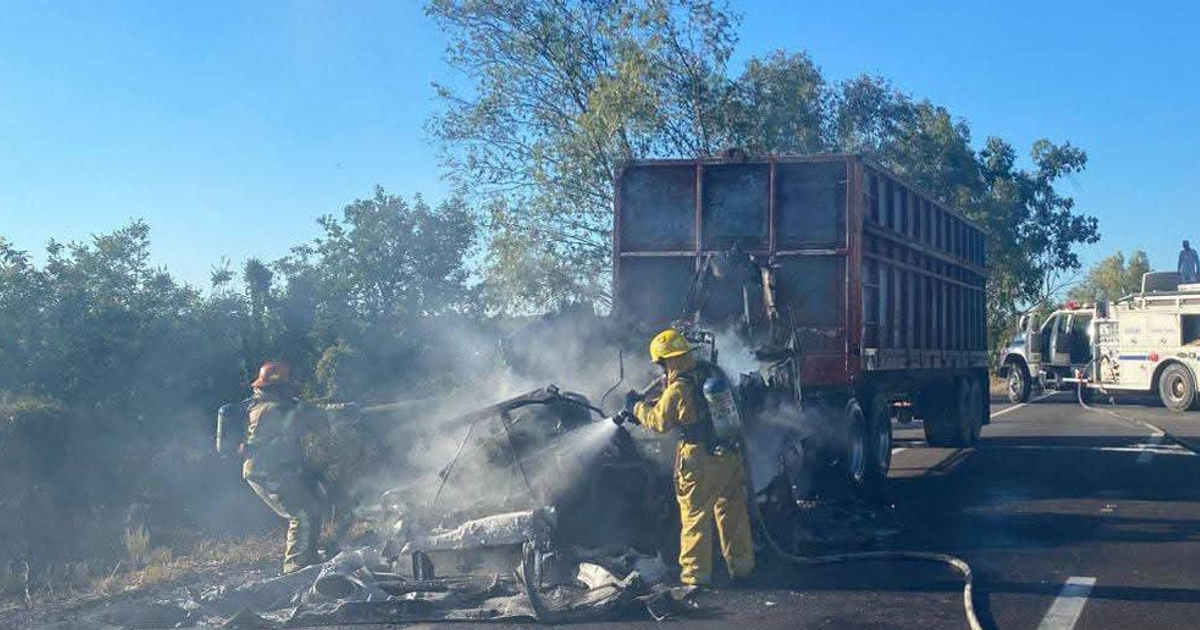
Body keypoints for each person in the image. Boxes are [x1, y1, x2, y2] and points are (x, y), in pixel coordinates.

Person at [618, 329, 755, 586]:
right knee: (732, 511)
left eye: (660, 363)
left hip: (698, 458)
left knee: (695, 516)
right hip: (728, 454)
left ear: (667, 360)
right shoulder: (707, 374)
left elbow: (659, 421)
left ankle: (696, 576)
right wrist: (651, 401)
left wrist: (635, 407)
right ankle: (742, 566)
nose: (660, 369)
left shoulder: (679, 388)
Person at [235, 361, 357, 574]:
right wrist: (343, 411)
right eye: (289, 386)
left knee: (312, 505)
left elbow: (306, 411)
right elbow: (313, 415)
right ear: (278, 387)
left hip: (279, 469)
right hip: (267, 472)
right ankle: (296, 567)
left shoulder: (270, 405)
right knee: (302, 513)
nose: (293, 390)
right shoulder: (274, 410)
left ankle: (308, 557)